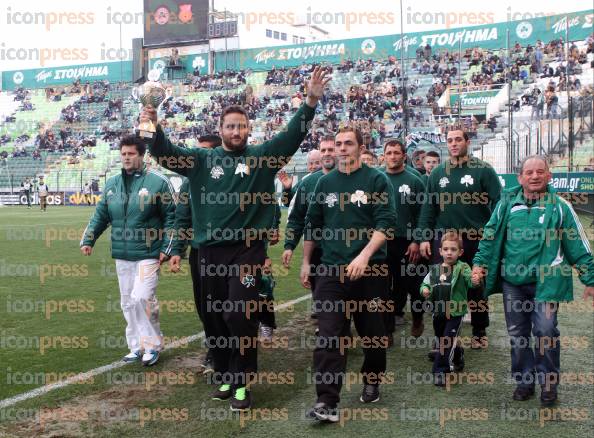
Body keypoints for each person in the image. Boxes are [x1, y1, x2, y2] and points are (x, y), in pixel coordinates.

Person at [142, 66, 331, 411]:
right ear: (221, 130)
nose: (237, 131)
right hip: (205, 254)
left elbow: (291, 137)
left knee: (239, 315)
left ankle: (242, 382)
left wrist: (310, 103)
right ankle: (227, 372)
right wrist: (150, 122)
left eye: (242, 126)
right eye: (231, 126)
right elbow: (164, 151)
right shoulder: (201, 159)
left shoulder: (261, 158)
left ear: (249, 129)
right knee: (212, 318)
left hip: (246, 252)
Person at [472, 155, 594, 406]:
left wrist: (590, 277)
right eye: (529, 172)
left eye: (540, 171)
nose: (535, 176)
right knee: (518, 334)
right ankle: (524, 381)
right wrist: (479, 264)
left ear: (549, 176)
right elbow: (489, 236)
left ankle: (549, 385)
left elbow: (577, 246)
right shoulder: (506, 205)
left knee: (545, 331)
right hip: (512, 283)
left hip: (546, 283)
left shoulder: (560, 206)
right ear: (520, 178)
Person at [301, 126, 396, 423]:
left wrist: (365, 256)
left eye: (348, 143)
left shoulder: (376, 180)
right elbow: (313, 224)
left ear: (360, 146)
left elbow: (387, 223)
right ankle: (326, 401)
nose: (342, 148)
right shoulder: (324, 183)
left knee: (373, 336)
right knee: (329, 336)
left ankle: (372, 378)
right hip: (330, 271)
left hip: (371, 271)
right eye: (338, 144)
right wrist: (306, 262)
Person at [80, 136, 176, 367]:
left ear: (142, 156)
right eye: (123, 153)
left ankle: (152, 346)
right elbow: (101, 215)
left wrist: (168, 247)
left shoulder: (158, 182)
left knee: (142, 298)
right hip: (122, 253)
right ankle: (136, 346)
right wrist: (89, 239)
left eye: (131, 153)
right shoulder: (112, 184)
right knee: (127, 302)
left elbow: (172, 217)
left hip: (148, 253)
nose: (126, 157)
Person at [418, 129, 501, 349]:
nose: (454, 144)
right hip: (444, 239)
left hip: (475, 237)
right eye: (450, 141)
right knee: (441, 286)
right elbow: (429, 207)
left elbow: (499, 203)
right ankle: (442, 337)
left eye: (458, 140)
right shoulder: (437, 173)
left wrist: (491, 233)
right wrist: (425, 237)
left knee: (475, 284)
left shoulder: (483, 170)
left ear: (467, 142)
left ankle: (479, 329)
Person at [169, 134, 222, 374]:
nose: (197, 156)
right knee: (205, 306)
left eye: (204, 151)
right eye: (196, 150)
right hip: (199, 252)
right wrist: (178, 250)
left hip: (233, 252)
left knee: (232, 306)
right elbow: (182, 216)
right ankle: (215, 348)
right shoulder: (189, 180)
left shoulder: (232, 176)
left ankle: (235, 352)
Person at [421, 231, 479, 387]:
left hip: (455, 313)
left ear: (460, 252)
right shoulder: (435, 270)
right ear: (440, 251)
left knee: (446, 341)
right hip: (438, 312)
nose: (449, 253)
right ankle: (458, 354)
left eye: (453, 250)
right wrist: (425, 290)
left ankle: (441, 371)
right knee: (442, 339)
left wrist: (474, 280)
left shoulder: (463, 268)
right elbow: (425, 283)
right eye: (446, 249)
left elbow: (470, 282)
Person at [382, 140, 426, 339]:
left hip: (408, 243)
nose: (392, 156)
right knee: (383, 288)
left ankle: (418, 318)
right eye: (389, 153)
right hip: (382, 242)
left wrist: (417, 240)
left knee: (414, 287)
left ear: (403, 156)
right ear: (383, 156)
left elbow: (423, 214)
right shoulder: (377, 179)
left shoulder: (414, 180)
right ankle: (387, 330)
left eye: (396, 153)